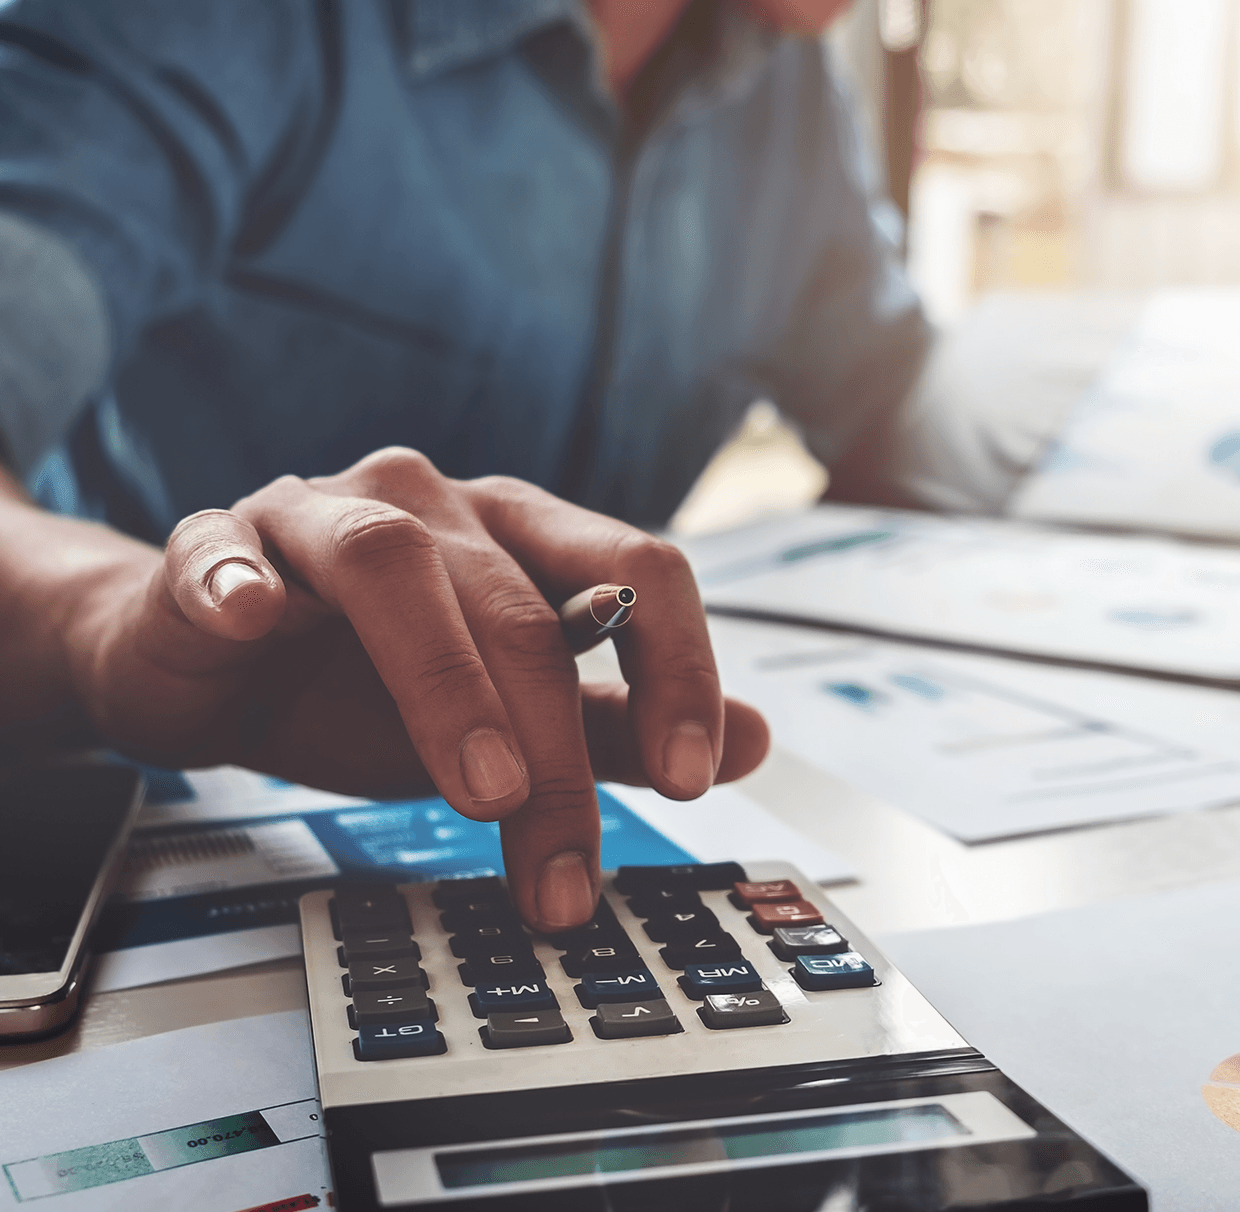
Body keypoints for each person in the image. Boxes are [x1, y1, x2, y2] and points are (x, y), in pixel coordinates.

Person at [0, 0, 928, 931]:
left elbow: (892, 402)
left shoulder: (786, 76)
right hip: (115, 845)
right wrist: (95, 619)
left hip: (518, 853)